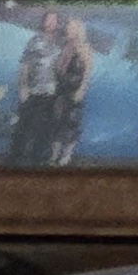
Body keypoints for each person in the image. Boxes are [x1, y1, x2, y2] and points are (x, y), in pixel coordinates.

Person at [8, 9, 65, 166]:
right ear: (43, 21)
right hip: (33, 91)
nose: (51, 23)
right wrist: (23, 87)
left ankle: (36, 161)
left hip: (51, 93)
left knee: (43, 129)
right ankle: (13, 160)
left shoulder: (61, 43)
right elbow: (24, 65)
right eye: (48, 19)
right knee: (23, 127)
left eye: (54, 20)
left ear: (58, 23)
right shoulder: (34, 40)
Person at [50, 15, 93, 165]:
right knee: (56, 121)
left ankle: (66, 155)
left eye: (71, 27)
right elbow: (57, 68)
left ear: (78, 30)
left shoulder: (84, 48)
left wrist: (81, 89)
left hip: (74, 90)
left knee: (71, 122)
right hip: (60, 90)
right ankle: (54, 154)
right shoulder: (63, 47)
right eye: (68, 27)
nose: (68, 29)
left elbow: (87, 72)